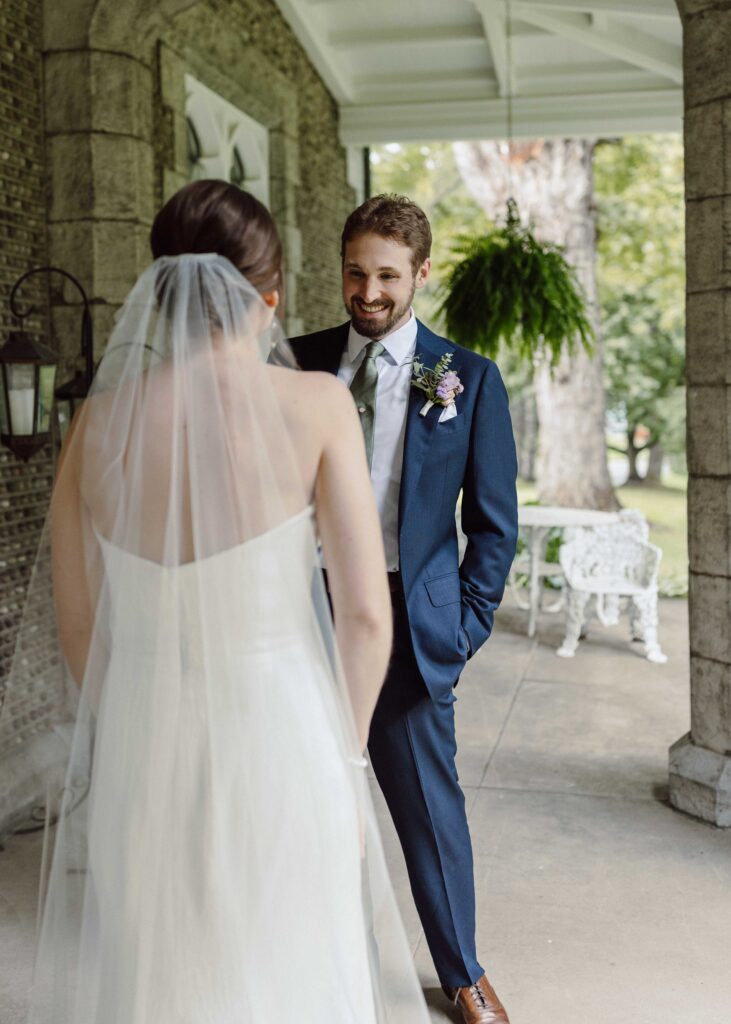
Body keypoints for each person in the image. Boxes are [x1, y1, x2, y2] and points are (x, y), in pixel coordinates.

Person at [13, 180, 431, 1023]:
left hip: (142, 736)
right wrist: (344, 768)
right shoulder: (314, 405)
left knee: (163, 971)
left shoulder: (94, 426)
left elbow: (76, 623)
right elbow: (363, 616)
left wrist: (135, 716)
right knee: (282, 965)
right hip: (281, 737)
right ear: (267, 301)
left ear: (160, 293)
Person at [290, 194, 519, 1024]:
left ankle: (462, 973)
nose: (369, 292)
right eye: (355, 272)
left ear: (421, 274)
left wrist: (460, 630)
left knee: (428, 808)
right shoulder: (298, 360)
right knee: (295, 792)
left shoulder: (464, 379)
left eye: (387, 275)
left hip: (409, 624)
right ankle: (304, 958)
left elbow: (493, 528)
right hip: (301, 614)